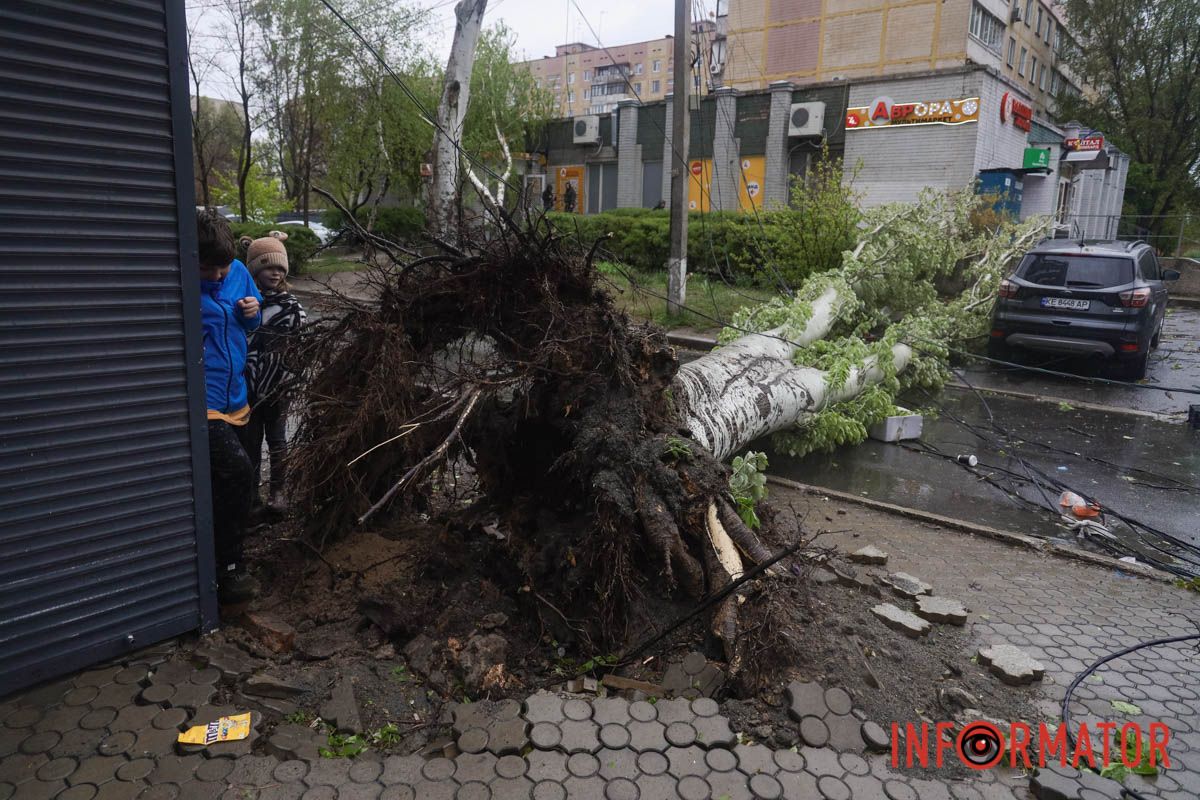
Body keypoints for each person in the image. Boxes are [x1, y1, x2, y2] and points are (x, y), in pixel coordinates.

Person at [197, 209, 262, 605]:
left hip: (237, 399)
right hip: (204, 404)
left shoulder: (237, 270)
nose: (219, 277)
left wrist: (250, 315)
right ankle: (230, 567)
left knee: (238, 483)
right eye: (209, 269)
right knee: (238, 471)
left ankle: (224, 557)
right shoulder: (183, 281)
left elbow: (249, 328)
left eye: (223, 268)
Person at [239, 231, 306, 515]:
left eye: (280, 267)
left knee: (277, 442)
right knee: (250, 443)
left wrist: (292, 378)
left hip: (279, 387)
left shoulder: (291, 307)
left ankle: (278, 492)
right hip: (248, 386)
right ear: (254, 268)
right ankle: (251, 496)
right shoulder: (243, 303)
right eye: (268, 266)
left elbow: (301, 347)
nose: (275, 272)